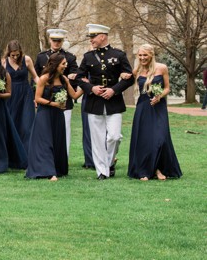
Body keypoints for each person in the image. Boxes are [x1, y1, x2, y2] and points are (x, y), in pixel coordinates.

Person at [77, 23, 134, 180]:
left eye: (93, 37)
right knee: (97, 139)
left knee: (114, 136)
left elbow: (129, 78)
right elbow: (79, 77)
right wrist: (91, 88)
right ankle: (102, 171)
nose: (91, 41)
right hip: (94, 102)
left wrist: (114, 90)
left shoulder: (119, 55)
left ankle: (109, 162)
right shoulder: (88, 57)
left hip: (113, 102)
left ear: (102, 36)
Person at [127, 44, 181, 180]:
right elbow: (124, 80)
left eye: (145, 55)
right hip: (143, 107)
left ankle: (160, 168)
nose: (142, 58)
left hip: (159, 107)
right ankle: (146, 171)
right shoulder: (137, 70)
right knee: (145, 139)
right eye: (140, 55)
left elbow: (167, 88)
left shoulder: (162, 68)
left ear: (151, 55)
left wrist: (159, 96)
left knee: (160, 138)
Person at [25, 54, 82, 180]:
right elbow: (37, 98)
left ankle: (57, 168)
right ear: (55, 65)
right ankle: (49, 172)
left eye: (66, 63)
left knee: (57, 141)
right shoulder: (44, 78)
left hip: (58, 115)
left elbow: (74, 95)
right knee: (46, 142)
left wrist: (86, 84)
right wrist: (54, 104)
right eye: (63, 64)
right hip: (44, 114)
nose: (65, 66)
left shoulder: (63, 79)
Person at [34, 28, 80, 157]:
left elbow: (74, 77)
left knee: (64, 130)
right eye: (54, 41)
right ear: (50, 40)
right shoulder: (41, 56)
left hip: (64, 100)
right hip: (46, 99)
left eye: (59, 41)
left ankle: (63, 156)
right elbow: (36, 77)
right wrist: (37, 96)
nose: (56, 43)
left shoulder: (70, 57)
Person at [4, 40, 38, 149]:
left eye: (17, 55)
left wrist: (43, 86)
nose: (15, 57)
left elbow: (35, 77)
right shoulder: (4, 62)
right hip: (11, 95)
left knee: (27, 124)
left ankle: (27, 154)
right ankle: (13, 154)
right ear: (8, 53)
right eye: (12, 55)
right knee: (12, 123)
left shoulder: (27, 60)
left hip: (25, 95)